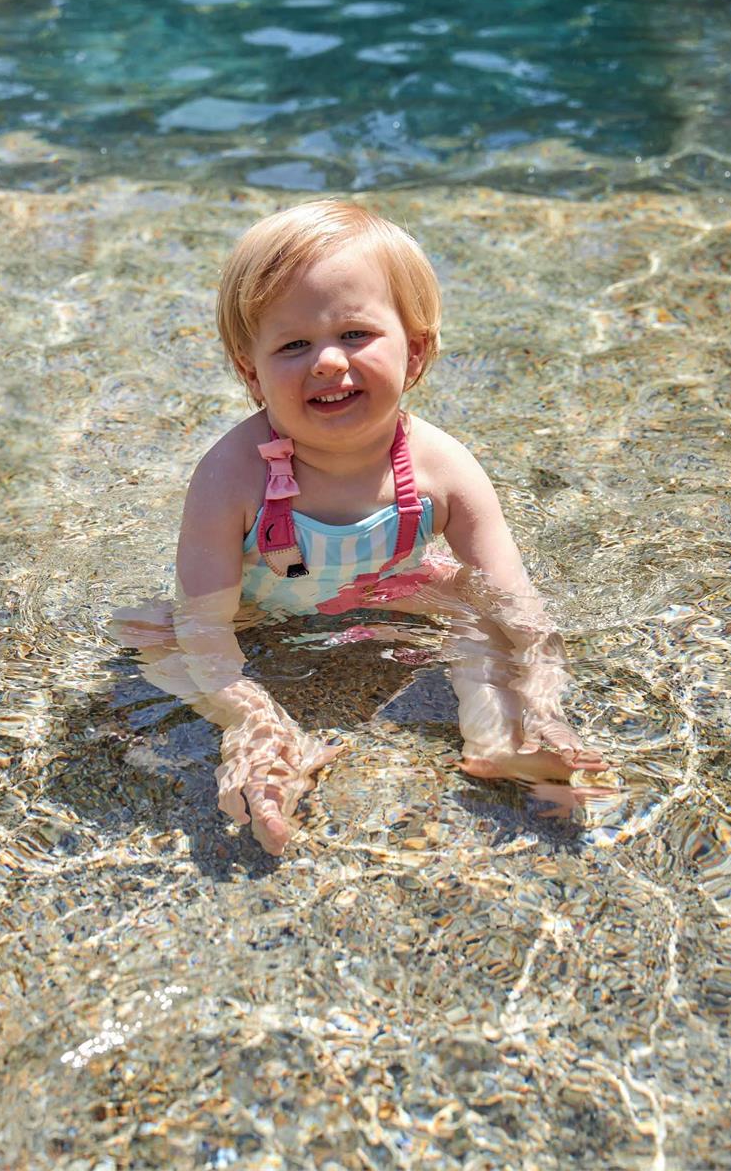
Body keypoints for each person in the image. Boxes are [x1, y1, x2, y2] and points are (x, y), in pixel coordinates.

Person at [115, 200, 607, 855]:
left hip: (391, 593)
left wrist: (544, 700)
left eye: (354, 334)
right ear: (251, 373)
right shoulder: (230, 476)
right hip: (259, 610)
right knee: (153, 634)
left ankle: (502, 738)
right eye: (292, 345)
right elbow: (205, 622)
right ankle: (267, 744)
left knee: (478, 612)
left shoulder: (443, 469)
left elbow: (516, 602)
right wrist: (246, 711)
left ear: (416, 352)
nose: (325, 361)